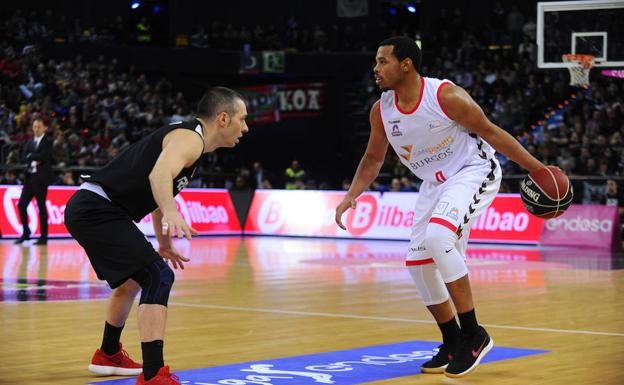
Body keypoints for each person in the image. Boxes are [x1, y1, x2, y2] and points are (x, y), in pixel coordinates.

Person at [335, 36, 545, 378]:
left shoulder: (445, 96)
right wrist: (350, 195)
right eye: (376, 62)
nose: (375, 68)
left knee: (438, 239)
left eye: (382, 61)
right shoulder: (382, 110)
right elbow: (373, 158)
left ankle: (475, 334)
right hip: (434, 183)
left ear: (406, 64)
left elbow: (491, 133)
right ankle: (452, 340)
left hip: (473, 170)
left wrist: (537, 168)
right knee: (417, 264)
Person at [64, 87, 248, 385]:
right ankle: (153, 375)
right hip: (97, 208)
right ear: (223, 118)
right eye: (243, 119)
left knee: (136, 277)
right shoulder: (190, 139)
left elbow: (159, 189)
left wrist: (164, 243)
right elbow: (158, 177)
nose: (246, 127)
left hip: (95, 208)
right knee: (158, 277)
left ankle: (108, 354)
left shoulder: (192, 143)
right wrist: (172, 211)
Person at [15, 118, 55, 245]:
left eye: (39, 126)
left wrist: (31, 156)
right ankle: (26, 233)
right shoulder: (30, 142)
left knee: (41, 207)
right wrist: (35, 158)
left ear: (44, 128)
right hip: (29, 178)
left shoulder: (48, 141)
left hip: (41, 179)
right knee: (21, 205)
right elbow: (23, 158)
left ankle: (44, 237)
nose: (36, 129)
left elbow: (45, 156)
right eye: (34, 127)